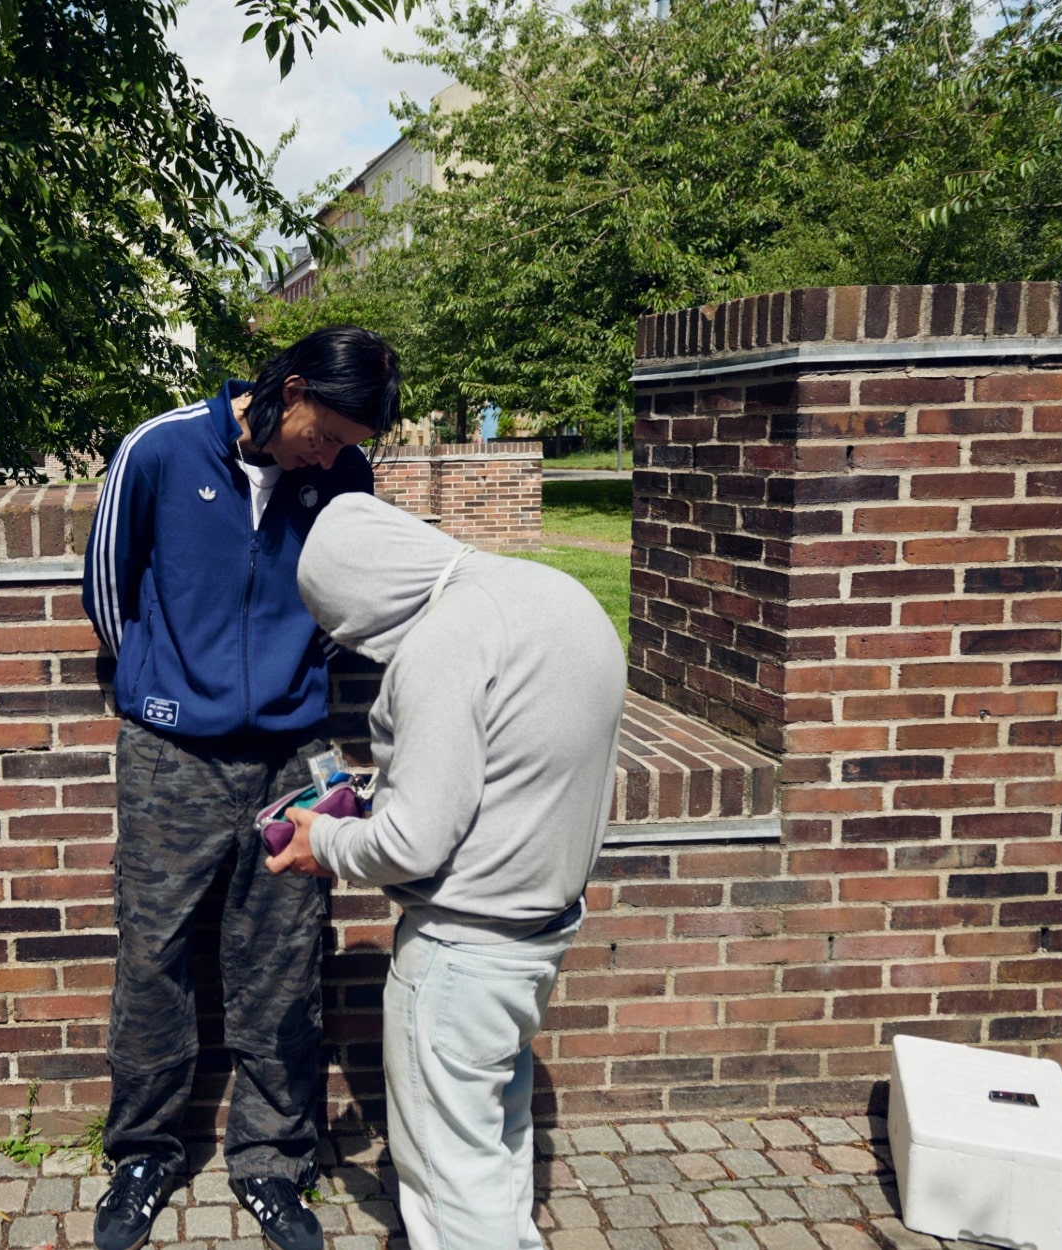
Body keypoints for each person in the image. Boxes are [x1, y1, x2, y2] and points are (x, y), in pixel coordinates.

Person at [81, 326, 402, 1250]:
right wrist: (168, 689)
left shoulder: (344, 475)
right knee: (154, 957)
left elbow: (350, 600)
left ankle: (272, 1161)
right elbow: (108, 592)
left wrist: (292, 677)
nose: (331, 456)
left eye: (347, 445)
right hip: (169, 757)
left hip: (291, 760)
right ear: (289, 389)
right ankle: (143, 1153)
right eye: (325, 434)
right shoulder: (160, 449)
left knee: (284, 962)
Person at [267, 493, 625, 1250]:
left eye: (346, 629)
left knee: (449, 1181)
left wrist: (325, 841)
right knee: (495, 1143)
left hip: (461, 954)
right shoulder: (554, 592)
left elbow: (412, 844)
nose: (360, 647)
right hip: (539, 937)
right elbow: (507, 775)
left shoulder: (444, 641)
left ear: (359, 598)